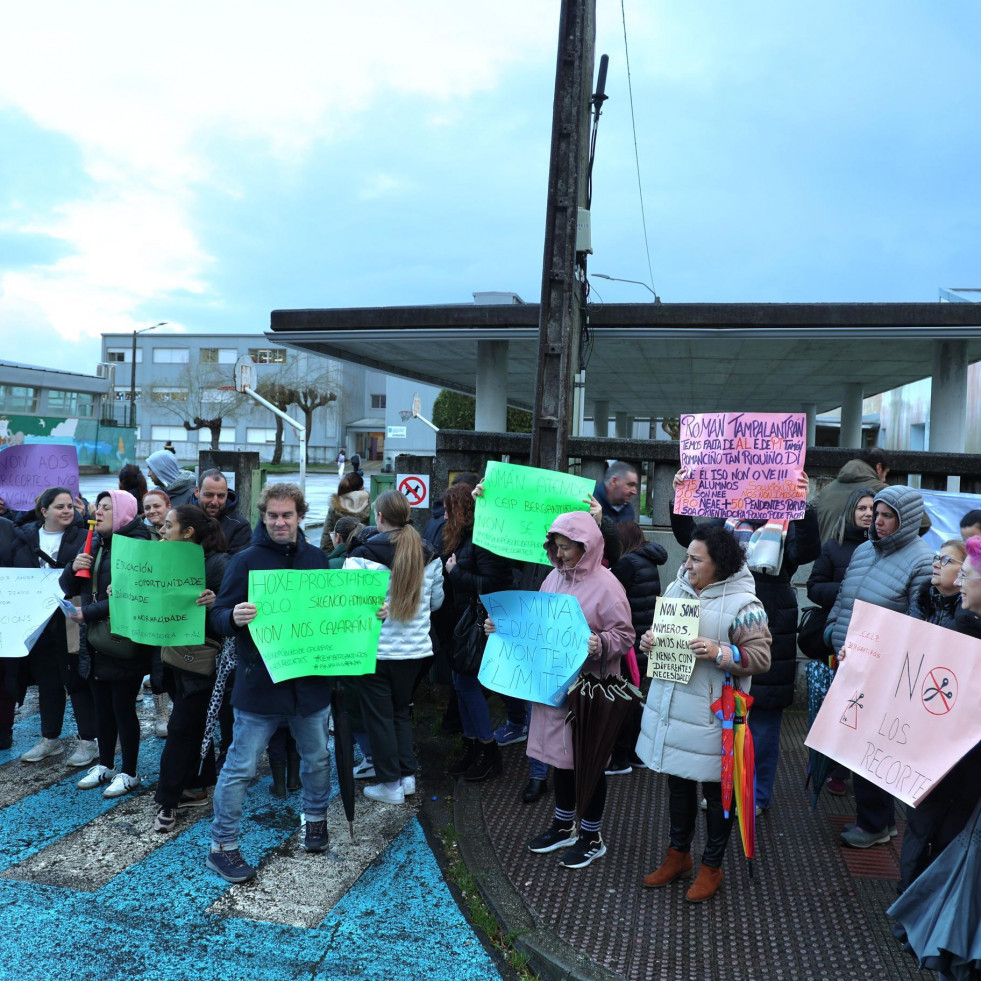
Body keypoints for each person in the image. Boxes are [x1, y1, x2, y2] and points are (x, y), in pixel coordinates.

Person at [487, 511, 633, 870]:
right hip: (552, 688)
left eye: (567, 547)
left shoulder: (608, 586)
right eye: (557, 546)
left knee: (588, 762)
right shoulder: (553, 577)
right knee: (560, 760)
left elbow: (625, 636)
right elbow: (535, 624)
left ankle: (591, 835)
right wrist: (502, 626)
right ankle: (564, 823)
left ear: (587, 546)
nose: (561, 553)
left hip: (587, 694)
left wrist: (601, 644)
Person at [637, 524, 772, 902]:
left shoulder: (746, 604)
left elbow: (762, 659)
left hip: (717, 720)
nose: (688, 564)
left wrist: (720, 653)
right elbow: (663, 639)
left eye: (697, 559)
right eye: (688, 556)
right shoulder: (676, 588)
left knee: (719, 795)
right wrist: (650, 641)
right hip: (674, 710)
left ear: (720, 563)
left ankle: (712, 866)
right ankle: (677, 856)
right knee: (678, 784)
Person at [670, 471, 819, 814]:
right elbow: (689, 537)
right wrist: (682, 496)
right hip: (723, 623)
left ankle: (754, 796)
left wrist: (802, 505)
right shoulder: (724, 522)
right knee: (723, 714)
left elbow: (808, 549)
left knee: (763, 718)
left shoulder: (784, 522)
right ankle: (723, 786)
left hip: (770, 622)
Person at [206, 483, 333, 882]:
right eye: (273, 515)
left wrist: (368, 616)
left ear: (300, 516)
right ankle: (222, 845)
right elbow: (218, 615)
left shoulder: (318, 559)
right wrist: (232, 618)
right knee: (241, 766)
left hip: (309, 684)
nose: (280, 522)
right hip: (259, 683)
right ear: (263, 515)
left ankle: (315, 820)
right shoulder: (244, 561)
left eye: (287, 515)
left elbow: (334, 615)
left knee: (317, 759)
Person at [826, 485, 933, 848]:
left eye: (888, 516)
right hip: (849, 662)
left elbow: (919, 623)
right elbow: (844, 598)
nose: (878, 520)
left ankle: (875, 824)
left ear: (906, 521)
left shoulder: (921, 559)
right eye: (878, 513)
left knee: (873, 748)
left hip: (883, 671)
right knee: (854, 743)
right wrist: (831, 633)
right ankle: (876, 821)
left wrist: (885, 659)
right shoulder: (862, 549)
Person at [345, 490, 444, 804]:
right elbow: (437, 602)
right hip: (417, 650)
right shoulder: (430, 553)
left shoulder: (362, 554)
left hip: (377, 650)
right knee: (401, 712)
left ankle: (389, 785)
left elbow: (348, 602)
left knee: (379, 717)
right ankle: (406, 776)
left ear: (380, 517)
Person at [896, 539, 981, 889]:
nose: (959, 583)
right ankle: (911, 915)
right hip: (936, 765)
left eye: (966, 575)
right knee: (920, 832)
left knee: (951, 841)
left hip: (969, 775)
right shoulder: (959, 626)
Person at [60, 489, 153, 798]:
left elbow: (130, 597)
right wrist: (74, 567)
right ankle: (106, 764)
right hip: (95, 640)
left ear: (124, 513)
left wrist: (88, 613)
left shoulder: (137, 546)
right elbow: (68, 586)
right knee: (101, 708)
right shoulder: (97, 542)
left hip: (123, 640)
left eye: (106, 508)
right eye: (96, 507)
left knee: (122, 707)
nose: (97, 513)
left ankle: (129, 772)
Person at [153, 505, 230, 834]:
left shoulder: (218, 565)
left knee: (180, 727)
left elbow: (231, 617)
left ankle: (167, 801)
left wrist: (216, 604)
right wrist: (123, 594)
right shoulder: (163, 558)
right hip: (173, 657)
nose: (162, 530)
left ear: (187, 532)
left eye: (168, 525)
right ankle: (197, 786)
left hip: (202, 663)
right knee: (195, 726)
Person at [16, 487, 98, 767]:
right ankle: (50, 739)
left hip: (69, 616)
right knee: (47, 680)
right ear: (44, 511)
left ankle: (88, 741)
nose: (67, 511)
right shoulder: (25, 535)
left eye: (69, 506)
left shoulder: (85, 536)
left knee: (75, 679)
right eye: (59, 506)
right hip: (37, 618)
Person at [805, 486, 874, 795]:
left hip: (872, 639)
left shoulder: (884, 549)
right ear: (851, 513)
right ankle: (832, 768)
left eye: (874, 510)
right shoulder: (834, 546)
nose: (868, 514)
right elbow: (814, 587)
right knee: (836, 705)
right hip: (839, 638)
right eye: (862, 508)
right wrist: (848, 590)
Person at [440, 484, 512, 783]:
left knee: (468, 684)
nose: (444, 516)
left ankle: (487, 748)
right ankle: (473, 746)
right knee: (461, 684)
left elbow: (495, 582)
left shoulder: (482, 540)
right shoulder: (468, 537)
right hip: (464, 621)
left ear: (458, 511)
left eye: (447, 510)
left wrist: (456, 573)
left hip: (479, 623)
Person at [608, 520, 667, 773]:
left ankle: (621, 758)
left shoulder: (626, 564)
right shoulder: (647, 560)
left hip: (629, 643)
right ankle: (636, 754)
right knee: (634, 699)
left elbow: (613, 598)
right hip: (643, 640)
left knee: (624, 703)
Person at [814, 449, 890, 543]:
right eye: (886, 473)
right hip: (864, 554)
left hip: (826, 553)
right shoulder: (884, 491)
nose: (885, 479)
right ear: (879, 467)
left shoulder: (826, 491)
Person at [193, 469, 252, 554]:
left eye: (221, 496)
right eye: (209, 495)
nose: (214, 502)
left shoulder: (239, 526)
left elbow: (238, 565)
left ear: (227, 495)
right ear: (197, 492)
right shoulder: (182, 519)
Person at [319, 472, 371, 548]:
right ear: (362, 488)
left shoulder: (335, 506)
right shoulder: (371, 506)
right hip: (364, 556)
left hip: (339, 554)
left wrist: (330, 558)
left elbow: (327, 537)